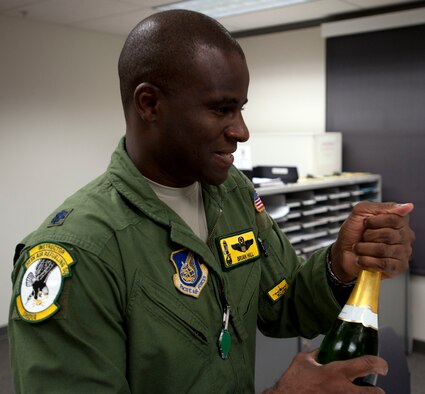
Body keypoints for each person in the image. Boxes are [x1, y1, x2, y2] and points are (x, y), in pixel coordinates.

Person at [8, 9, 415, 394]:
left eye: (240, 109)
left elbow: (282, 303)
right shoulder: (78, 253)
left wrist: (341, 265)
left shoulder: (231, 193)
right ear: (150, 104)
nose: (241, 130)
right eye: (222, 109)